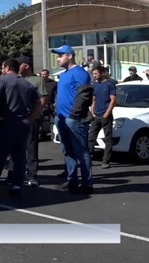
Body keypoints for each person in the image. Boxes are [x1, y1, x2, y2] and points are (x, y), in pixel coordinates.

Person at [0, 58, 41, 198]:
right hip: (22, 124)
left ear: (6, 67)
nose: (1, 69)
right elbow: (39, 102)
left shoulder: (2, 80)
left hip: (6, 122)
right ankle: (16, 186)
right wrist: (31, 118)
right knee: (19, 157)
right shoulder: (27, 83)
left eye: (2, 67)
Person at [51, 45, 94, 195]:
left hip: (74, 119)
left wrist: (73, 115)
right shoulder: (63, 75)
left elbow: (84, 96)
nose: (58, 58)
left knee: (81, 151)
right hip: (61, 118)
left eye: (60, 55)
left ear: (69, 56)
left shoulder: (80, 73)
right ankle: (72, 181)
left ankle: (87, 184)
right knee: (68, 151)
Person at [4, 55, 47, 187]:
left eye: (20, 64)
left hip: (29, 118)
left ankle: (32, 175)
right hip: (14, 118)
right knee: (13, 147)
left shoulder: (37, 80)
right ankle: (12, 173)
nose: (17, 67)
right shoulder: (15, 79)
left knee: (31, 147)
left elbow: (42, 100)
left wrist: (33, 116)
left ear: (26, 66)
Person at [88, 66, 117, 169]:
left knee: (108, 139)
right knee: (91, 138)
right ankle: (89, 159)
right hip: (96, 116)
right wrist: (93, 112)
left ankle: (105, 161)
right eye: (93, 74)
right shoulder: (95, 85)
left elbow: (113, 101)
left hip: (106, 116)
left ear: (101, 73)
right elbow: (94, 100)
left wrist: (106, 114)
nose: (94, 75)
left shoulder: (109, 84)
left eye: (95, 73)